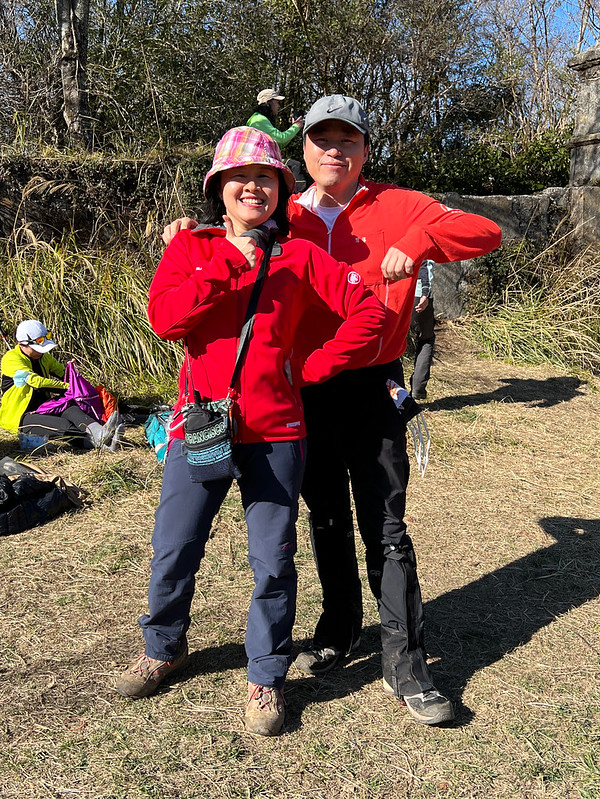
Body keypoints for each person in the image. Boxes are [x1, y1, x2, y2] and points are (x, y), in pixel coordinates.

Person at [162, 96, 502, 726]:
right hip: (297, 394)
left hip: (371, 382)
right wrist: (186, 234)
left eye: (347, 139)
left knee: (385, 523)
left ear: (364, 149)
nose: (333, 151)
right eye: (321, 140)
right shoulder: (284, 211)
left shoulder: (400, 205)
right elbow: (226, 234)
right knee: (323, 515)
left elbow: (487, 232)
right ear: (305, 150)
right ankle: (340, 625)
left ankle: (406, 665)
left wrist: (422, 239)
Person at [115, 126, 387, 738]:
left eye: (265, 178)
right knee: (175, 546)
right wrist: (226, 264)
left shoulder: (301, 256)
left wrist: (311, 367)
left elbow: (369, 311)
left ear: (280, 189)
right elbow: (164, 319)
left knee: (273, 561)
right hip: (200, 424)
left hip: (277, 432)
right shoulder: (191, 249)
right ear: (220, 188)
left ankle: (266, 675)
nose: (252, 187)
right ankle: (164, 647)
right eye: (240, 178)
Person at [0, 319, 119, 449]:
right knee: (62, 424)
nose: (41, 351)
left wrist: (77, 382)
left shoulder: (43, 357)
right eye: (37, 348)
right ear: (22, 344)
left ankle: (101, 433)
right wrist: (68, 387)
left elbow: (63, 373)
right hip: (21, 417)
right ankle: (98, 443)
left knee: (70, 408)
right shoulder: (11, 358)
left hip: (43, 407)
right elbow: (37, 382)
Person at [247, 89, 306, 191]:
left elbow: (279, 143)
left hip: (263, 160)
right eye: (276, 102)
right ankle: (297, 199)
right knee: (295, 166)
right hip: (263, 161)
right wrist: (296, 126)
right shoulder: (259, 120)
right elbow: (281, 140)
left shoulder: (258, 118)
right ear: (268, 103)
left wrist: (294, 126)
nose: (278, 106)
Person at [409, 260, 435, 400]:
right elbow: (424, 264)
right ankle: (418, 388)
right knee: (426, 339)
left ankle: (393, 392)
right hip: (419, 295)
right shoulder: (423, 239)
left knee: (392, 343)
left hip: (397, 293)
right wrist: (425, 292)